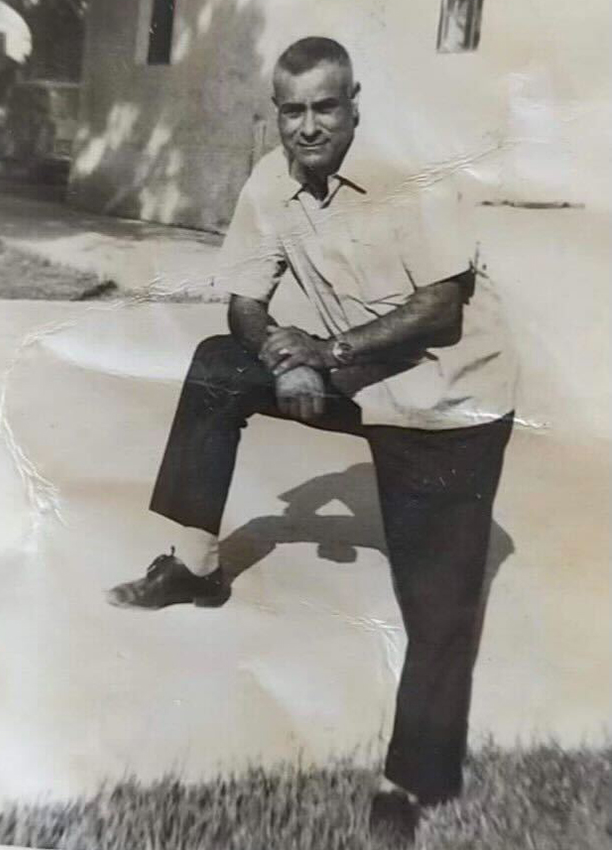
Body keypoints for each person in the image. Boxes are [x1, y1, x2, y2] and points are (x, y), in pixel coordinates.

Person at [106, 37, 516, 845]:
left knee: (438, 609)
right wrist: (278, 356)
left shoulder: (411, 173)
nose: (307, 127)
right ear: (276, 113)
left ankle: (412, 780)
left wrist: (321, 355)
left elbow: (438, 310)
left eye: (324, 107)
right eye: (291, 111)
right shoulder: (271, 180)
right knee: (217, 366)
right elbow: (243, 301)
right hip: (348, 374)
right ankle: (195, 569)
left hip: (445, 398)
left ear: (352, 105)